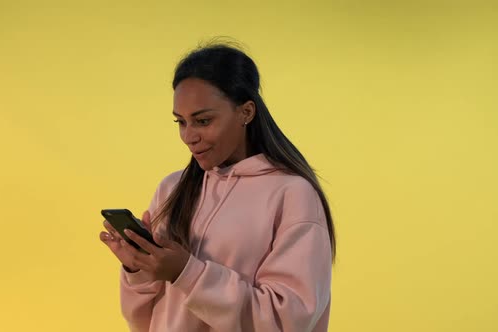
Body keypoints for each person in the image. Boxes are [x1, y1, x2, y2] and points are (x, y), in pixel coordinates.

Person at [100, 41, 336, 331]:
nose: (189, 136)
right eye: (181, 122)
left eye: (203, 120)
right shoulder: (172, 189)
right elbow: (143, 321)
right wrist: (137, 268)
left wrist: (187, 273)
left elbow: (288, 320)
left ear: (246, 112)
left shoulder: (292, 194)